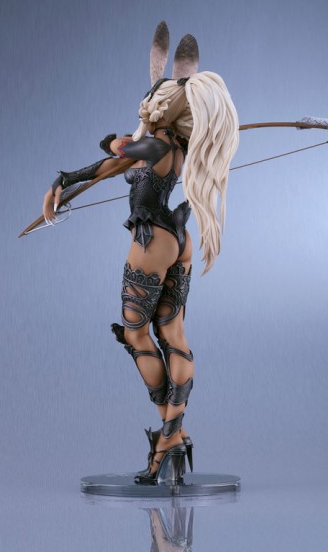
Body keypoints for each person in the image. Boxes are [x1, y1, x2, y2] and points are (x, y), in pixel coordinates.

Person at [41, 24, 239, 485]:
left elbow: (118, 149)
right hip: (176, 240)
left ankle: (170, 434)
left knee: (136, 334)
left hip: (152, 240)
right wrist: (64, 180)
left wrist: (121, 139)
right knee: (171, 334)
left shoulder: (158, 143)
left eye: (153, 100)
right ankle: (174, 434)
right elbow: (115, 164)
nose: (147, 104)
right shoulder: (173, 146)